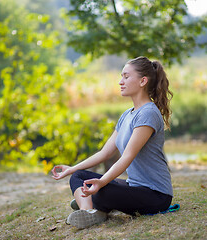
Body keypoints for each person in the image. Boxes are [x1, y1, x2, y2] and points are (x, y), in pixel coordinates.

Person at [51, 56, 173, 229]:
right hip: (135, 186)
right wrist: (72, 168)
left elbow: (127, 157)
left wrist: (102, 182)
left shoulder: (148, 113)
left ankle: (93, 203)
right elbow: (105, 153)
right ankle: (89, 213)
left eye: (126, 76)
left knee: (102, 190)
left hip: (156, 195)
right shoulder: (126, 115)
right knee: (79, 176)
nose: (120, 81)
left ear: (142, 81)